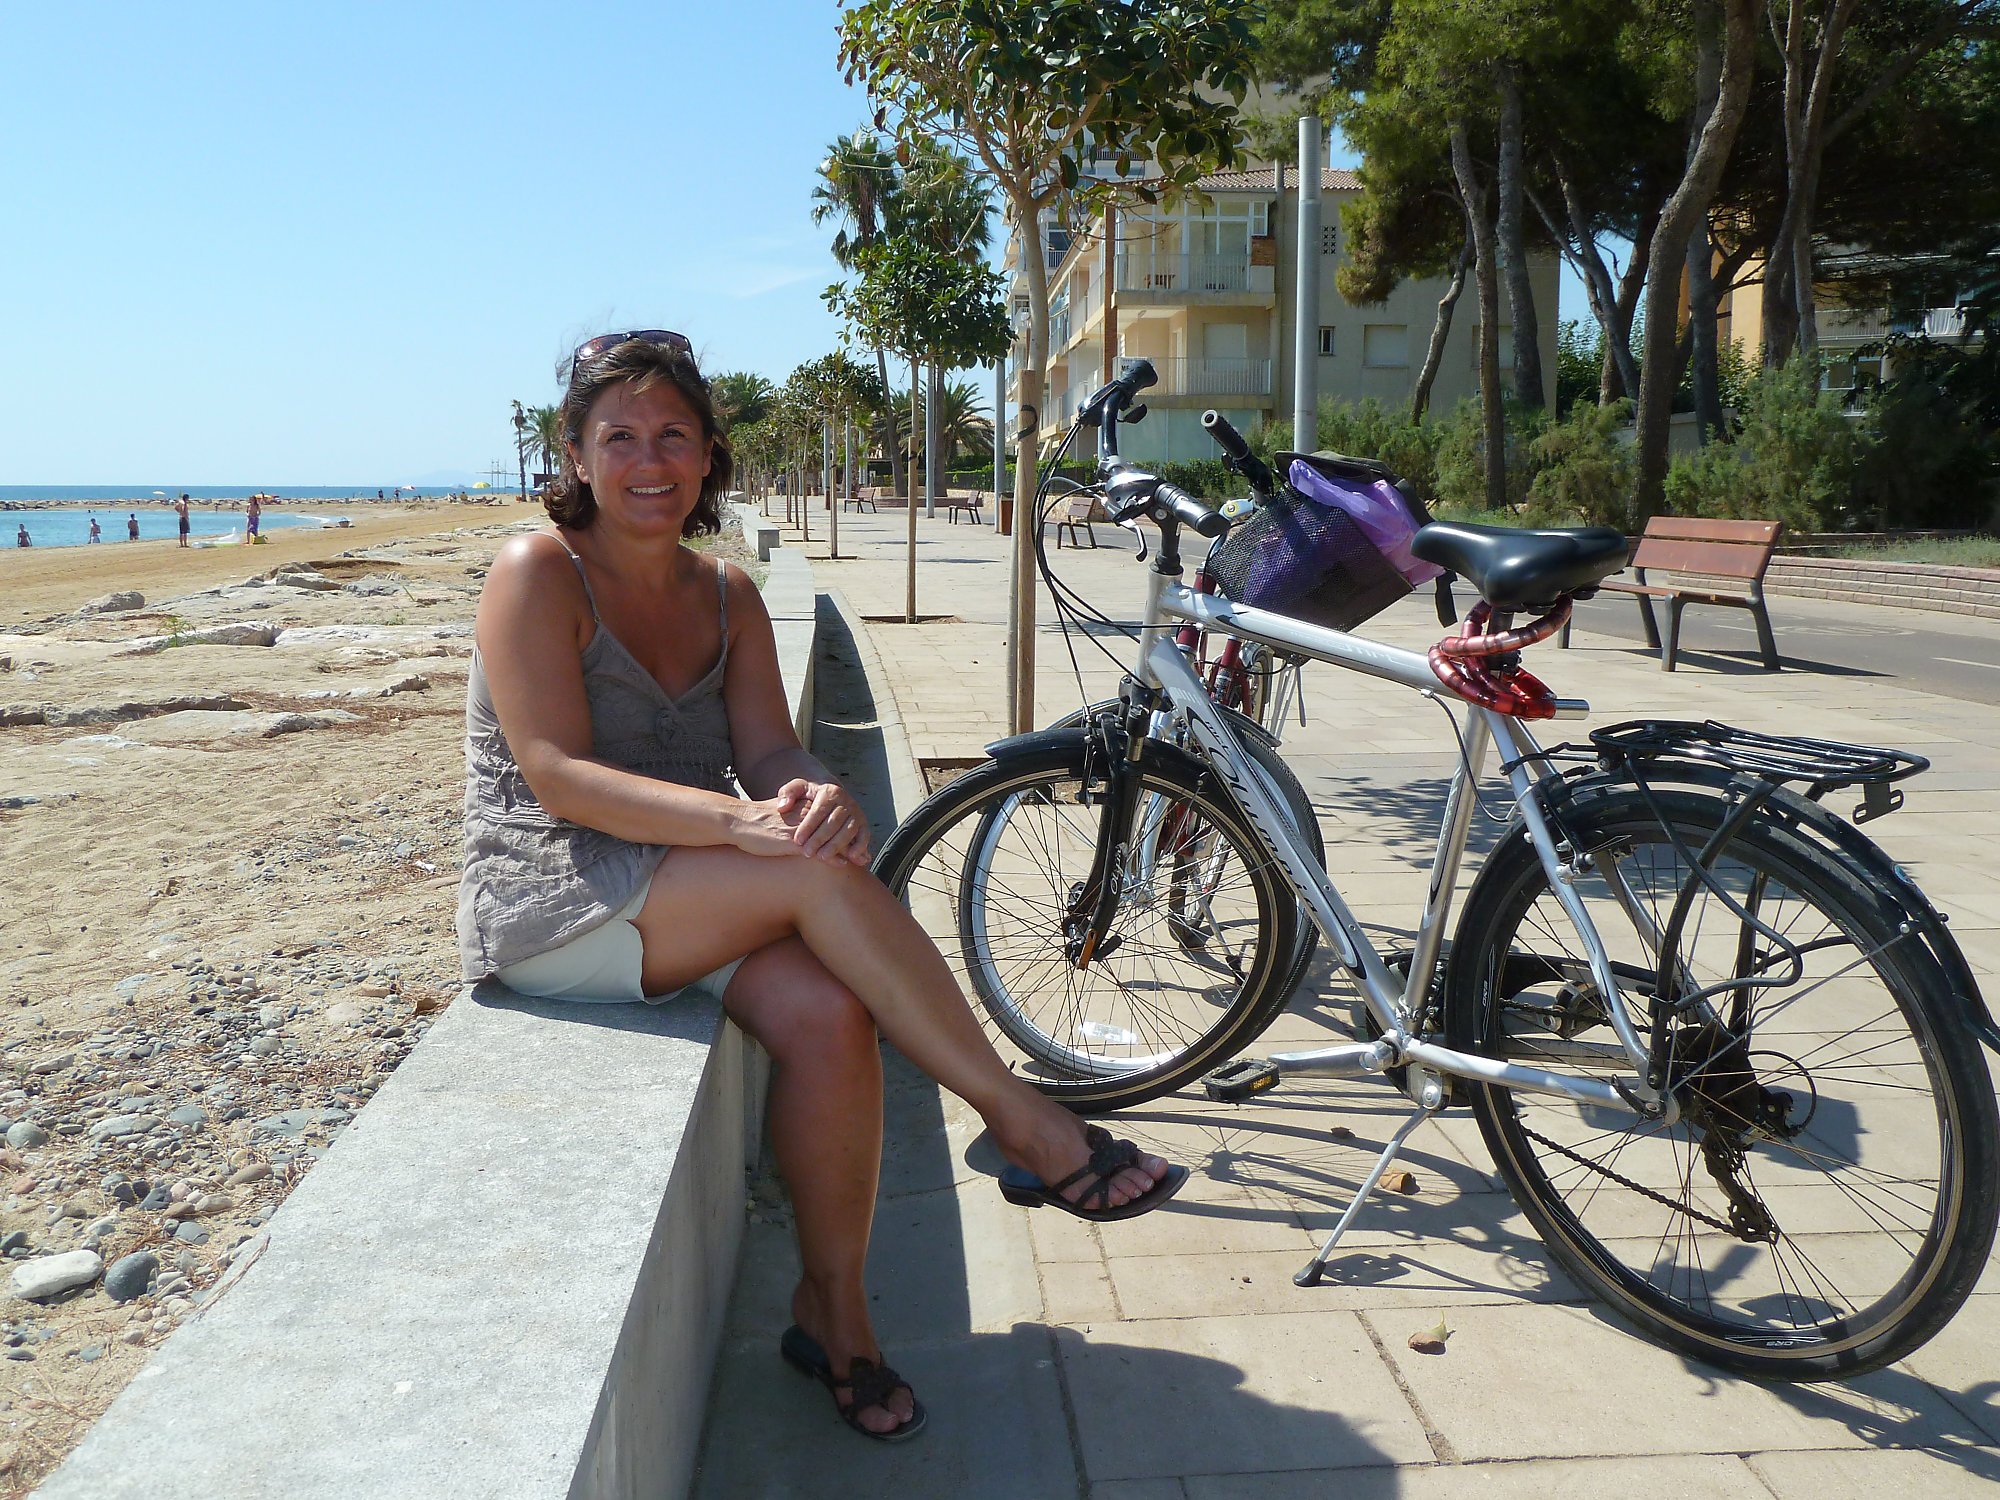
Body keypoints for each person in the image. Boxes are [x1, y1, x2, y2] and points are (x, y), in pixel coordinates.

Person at [459, 332, 1184, 1444]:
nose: (648, 460)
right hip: (558, 898)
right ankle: (1020, 1119)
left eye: (673, 435)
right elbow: (554, 774)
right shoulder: (536, 572)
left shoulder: (726, 593)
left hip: (688, 891)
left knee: (834, 1013)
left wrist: (811, 791)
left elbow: (767, 750)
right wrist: (745, 824)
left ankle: (834, 1315)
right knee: (803, 864)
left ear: (709, 454)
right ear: (576, 455)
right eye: (620, 437)